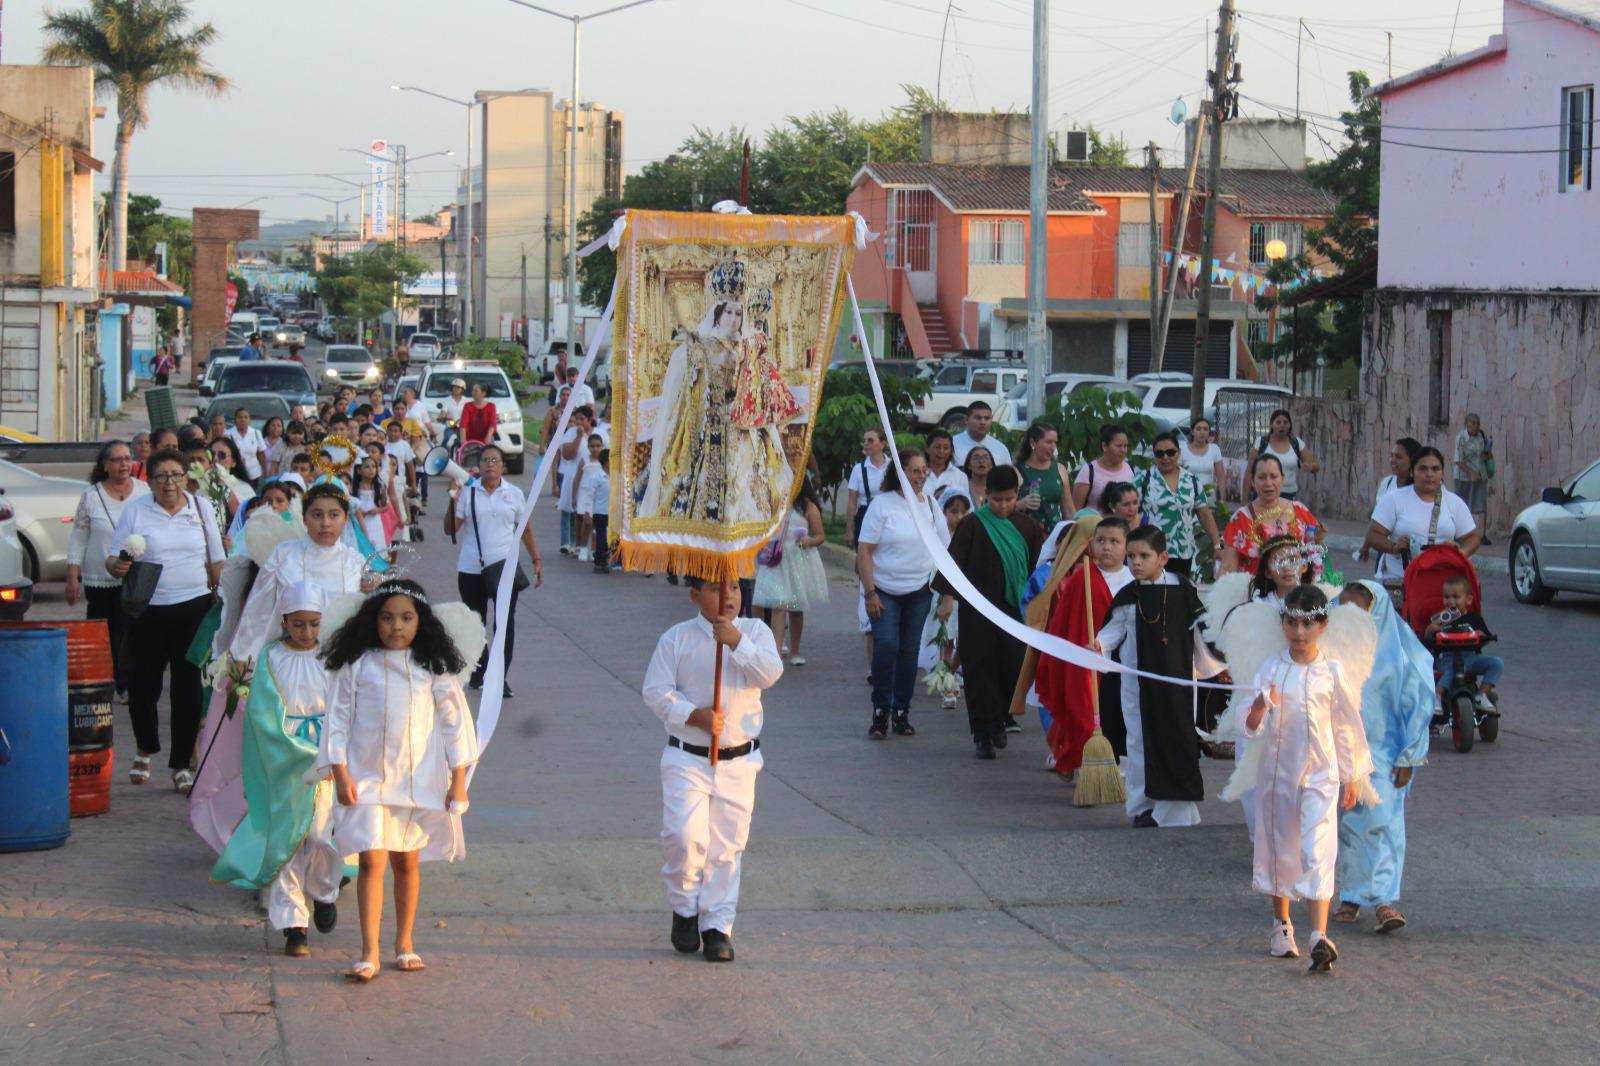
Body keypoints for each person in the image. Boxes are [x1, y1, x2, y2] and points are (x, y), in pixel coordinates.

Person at [316, 580, 479, 982]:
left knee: (406, 861)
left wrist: (458, 779)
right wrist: (340, 772)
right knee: (371, 859)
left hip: (415, 782)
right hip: (366, 779)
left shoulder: (433, 669)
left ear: (421, 622)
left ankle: (404, 941)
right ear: (373, 621)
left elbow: (456, 724)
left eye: (406, 618)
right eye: (387, 618)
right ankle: (368, 950)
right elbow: (337, 719)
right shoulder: (358, 665)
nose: (396, 626)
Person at [643, 575, 782, 963]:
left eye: (734, 588)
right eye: (717, 589)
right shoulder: (677, 638)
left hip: (739, 760)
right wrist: (694, 715)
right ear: (695, 595)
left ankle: (717, 925)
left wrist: (736, 642)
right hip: (688, 758)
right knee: (685, 835)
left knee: (727, 845)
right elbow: (655, 690)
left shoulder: (755, 632)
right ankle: (685, 907)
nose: (728, 596)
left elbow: (770, 673)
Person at [1242, 585, 1374, 973]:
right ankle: (1282, 925)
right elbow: (1249, 726)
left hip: (1321, 774)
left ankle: (1319, 934)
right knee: (1281, 846)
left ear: (1322, 625)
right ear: (1282, 623)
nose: (1299, 632)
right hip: (1278, 773)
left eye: (1307, 624)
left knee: (1319, 847)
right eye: (1292, 623)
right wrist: (1260, 706)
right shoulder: (1270, 669)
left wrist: (1352, 774)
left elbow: (1346, 724)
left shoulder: (1331, 672)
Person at [210, 581, 342, 958]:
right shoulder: (271, 657)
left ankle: (323, 890)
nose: (307, 632)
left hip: (323, 756)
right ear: (284, 621)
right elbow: (262, 713)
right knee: (287, 839)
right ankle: (294, 924)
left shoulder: (332, 657)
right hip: (283, 757)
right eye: (298, 624)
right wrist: (286, 747)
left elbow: (343, 705)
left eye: (314, 624)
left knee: (318, 833)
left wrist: (334, 748)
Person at [105, 448, 225, 793]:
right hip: (147, 610)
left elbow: (216, 560)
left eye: (175, 475)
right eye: (161, 476)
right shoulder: (136, 510)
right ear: (150, 480)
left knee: (187, 688)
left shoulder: (201, 508)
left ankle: (180, 764)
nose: (169, 483)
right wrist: (118, 566)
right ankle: (145, 747)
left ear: (186, 477)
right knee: (143, 687)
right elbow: (112, 560)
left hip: (193, 608)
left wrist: (227, 597)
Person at [1093, 525, 1225, 827]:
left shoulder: (1182, 591)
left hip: (1175, 683)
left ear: (1163, 557)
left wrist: (1217, 664)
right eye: (1131, 557)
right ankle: (1143, 806)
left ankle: (1174, 811)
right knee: (1138, 742)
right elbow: (1114, 630)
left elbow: (1199, 636)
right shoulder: (1129, 595)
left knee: (1176, 740)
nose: (1136, 563)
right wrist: (1100, 644)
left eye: (1144, 556)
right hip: (1136, 684)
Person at [1334, 580, 1434, 935]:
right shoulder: (1334, 648)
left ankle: (1384, 900)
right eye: (1343, 607)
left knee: (1385, 821)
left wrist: (1410, 756)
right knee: (1349, 824)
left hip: (1386, 754)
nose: (1349, 615)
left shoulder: (1398, 653)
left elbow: (1419, 701)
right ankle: (1351, 895)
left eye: (1357, 608)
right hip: (1343, 753)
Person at [936, 465, 1046, 758]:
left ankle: (1000, 717)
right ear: (986, 495)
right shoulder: (972, 524)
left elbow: (1037, 568)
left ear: (1017, 495)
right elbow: (953, 564)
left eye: (1009, 499)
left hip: (1015, 612)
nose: (1003, 505)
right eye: (997, 499)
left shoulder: (1028, 527)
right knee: (979, 667)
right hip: (978, 610)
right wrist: (947, 599)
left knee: (1013, 665)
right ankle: (983, 733)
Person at [444, 444, 544, 695]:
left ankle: (499, 678)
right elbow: (450, 529)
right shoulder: (468, 492)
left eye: (495, 460)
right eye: (485, 460)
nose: (490, 465)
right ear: (478, 466)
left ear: (503, 466)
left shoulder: (514, 493)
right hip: (471, 569)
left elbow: (525, 529)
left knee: (504, 625)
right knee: (475, 624)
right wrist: (452, 498)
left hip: (503, 568)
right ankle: (482, 671)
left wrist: (536, 559)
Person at [1037, 516, 1132, 776]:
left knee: (1121, 714)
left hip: (1124, 662)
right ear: (1091, 545)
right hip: (1087, 660)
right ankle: (1081, 762)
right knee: (1083, 711)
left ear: (1127, 545)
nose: (1107, 547)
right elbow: (1064, 622)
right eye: (1101, 541)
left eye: (1114, 541)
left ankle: (1115, 767)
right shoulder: (1083, 578)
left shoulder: (1133, 579)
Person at [857, 448, 941, 740]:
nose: (920, 476)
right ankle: (880, 711)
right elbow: (864, 550)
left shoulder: (930, 504)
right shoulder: (882, 505)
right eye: (915, 471)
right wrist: (870, 592)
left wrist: (947, 595)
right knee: (887, 646)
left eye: (924, 471)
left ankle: (901, 711)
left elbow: (943, 548)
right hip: (884, 591)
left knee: (909, 653)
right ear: (900, 472)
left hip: (918, 591)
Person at [65, 440, 151, 700]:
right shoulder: (91, 496)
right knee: (103, 634)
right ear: (105, 465)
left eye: (127, 458)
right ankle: (104, 681)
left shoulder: (144, 492)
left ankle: (126, 684)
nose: (124, 464)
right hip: (100, 579)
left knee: (130, 633)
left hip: (135, 578)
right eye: (116, 459)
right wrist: (72, 578)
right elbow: (78, 538)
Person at [1364, 446, 1481, 571]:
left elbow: (1472, 537)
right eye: (1423, 469)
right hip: (1399, 578)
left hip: (1443, 578)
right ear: (1411, 472)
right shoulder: (1393, 499)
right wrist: (1394, 547)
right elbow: (1373, 534)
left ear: (1442, 473)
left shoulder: (1455, 502)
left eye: (1435, 469)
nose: (1429, 474)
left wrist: (1460, 552)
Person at [753, 477, 828, 666]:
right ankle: (776, 652)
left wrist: (808, 541)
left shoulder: (808, 507)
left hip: (798, 560)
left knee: (796, 607)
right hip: (777, 558)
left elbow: (820, 535)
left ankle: (795, 650)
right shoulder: (774, 503)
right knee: (779, 604)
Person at [1220, 455, 1323, 575]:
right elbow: (1227, 569)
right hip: (1255, 586)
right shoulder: (1240, 519)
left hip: (1297, 586)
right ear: (1252, 481)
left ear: (1282, 479)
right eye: (1261, 477)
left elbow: (1316, 557)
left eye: (1274, 477)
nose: (1268, 483)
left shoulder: (1301, 511)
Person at [1138, 430, 1220, 579]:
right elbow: (1128, 514)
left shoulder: (1192, 480)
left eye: (1170, 452)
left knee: (1179, 591)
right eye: (1159, 454)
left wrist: (1216, 545)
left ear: (1179, 453)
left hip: (1184, 552)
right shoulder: (1142, 480)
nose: (1165, 457)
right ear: (1154, 456)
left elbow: (1204, 515)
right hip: (1151, 552)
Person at [1424, 575, 1503, 712]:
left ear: (1468, 600)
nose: (1451, 601)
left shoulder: (1474, 618)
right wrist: (1430, 630)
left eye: (1456, 597)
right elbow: (1427, 641)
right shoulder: (1441, 620)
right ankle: (1438, 695)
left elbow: (1486, 637)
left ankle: (1481, 695)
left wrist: (1481, 635)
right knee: (1454, 668)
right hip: (1448, 658)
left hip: (1471, 657)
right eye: (1447, 597)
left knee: (1497, 663)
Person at [924, 491, 973, 709]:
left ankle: (951, 673)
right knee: (946, 640)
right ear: (944, 512)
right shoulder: (940, 538)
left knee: (964, 641)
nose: (959, 517)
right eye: (954, 512)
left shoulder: (971, 534)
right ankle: (946, 687)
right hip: (946, 594)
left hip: (966, 595)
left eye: (964, 512)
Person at [1361, 437, 1423, 584]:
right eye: (1392, 456)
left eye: (1399, 457)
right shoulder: (1387, 483)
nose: (1393, 460)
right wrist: (1366, 546)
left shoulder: (1422, 490)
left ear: (1413, 460)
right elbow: (1376, 521)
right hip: (1386, 550)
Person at [1248, 409, 1320, 501]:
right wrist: (1245, 500)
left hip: (1288, 496)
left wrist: (1311, 466)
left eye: (1285, 422)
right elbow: (1249, 472)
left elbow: (1315, 466)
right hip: (1264, 494)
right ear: (1271, 424)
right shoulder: (1261, 443)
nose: (1282, 425)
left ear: (1290, 425)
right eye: (1278, 422)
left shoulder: (1296, 443)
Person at [1071, 423, 1136, 513]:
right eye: (1119, 446)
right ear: (1104, 446)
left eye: (1125, 446)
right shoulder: (1089, 471)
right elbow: (1075, 510)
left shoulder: (1130, 469)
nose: (1123, 450)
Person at [555, 406, 595, 553]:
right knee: (572, 512)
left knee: (585, 514)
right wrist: (578, 437)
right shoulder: (571, 433)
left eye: (582, 419)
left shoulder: (598, 434)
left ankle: (583, 545)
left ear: (590, 420)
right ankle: (569, 544)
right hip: (573, 476)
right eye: (576, 419)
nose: (578, 422)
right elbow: (567, 455)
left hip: (590, 478)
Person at [1016, 422, 1071, 528]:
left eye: (1055, 442)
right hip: (1026, 532)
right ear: (1033, 443)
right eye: (1049, 442)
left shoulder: (1060, 469)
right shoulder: (1016, 471)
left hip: (1055, 533)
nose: (1053, 447)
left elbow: (1068, 510)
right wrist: (1020, 504)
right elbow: (1002, 507)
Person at [844, 428, 890, 548]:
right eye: (864, 440)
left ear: (882, 444)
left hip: (889, 516)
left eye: (870, 440)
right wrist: (849, 530)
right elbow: (852, 502)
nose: (866, 444)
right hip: (865, 515)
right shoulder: (858, 469)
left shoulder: (892, 467)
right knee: (863, 554)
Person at [1453, 413, 1493, 545]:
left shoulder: (1481, 437)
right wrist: (1471, 473)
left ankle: (1482, 535)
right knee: (1461, 505)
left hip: (1480, 474)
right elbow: (1458, 460)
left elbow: (1485, 454)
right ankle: (1459, 533)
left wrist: (1487, 455)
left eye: (1478, 423)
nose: (1476, 426)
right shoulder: (1461, 438)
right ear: (1467, 424)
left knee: (1481, 503)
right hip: (1463, 476)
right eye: (1473, 423)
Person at [572, 433, 605, 563]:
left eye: (598, 446)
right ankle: (583, 548)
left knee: (597, 524)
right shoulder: (584, 459)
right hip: (585, 493)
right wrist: (574, 496)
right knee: (586, 523)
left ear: (602, 446)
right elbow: (577, 478)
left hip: (599, 495)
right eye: (592, 446)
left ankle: (593, 550)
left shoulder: (604, 461)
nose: (595, 449)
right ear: (588, 447)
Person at [950, 401, 1012, 467]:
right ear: (966, 419)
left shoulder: (1001, 449)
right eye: (978, 418)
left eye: (987, 418)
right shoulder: (951, 445)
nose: (983, 422)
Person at [1181, 417, 1225, 502]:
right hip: (1187, 497)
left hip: (1208, 497)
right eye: (1198, 429)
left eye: (1205, 429)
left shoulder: (1214, 449)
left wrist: (1223, 499)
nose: (1202, 432)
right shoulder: (1182, 449)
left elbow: (1221, 476)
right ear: (1192, 431)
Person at [352, 455, 390, 555]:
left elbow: (385, 506)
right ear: (359, 471)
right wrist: (358, 511)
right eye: (367, 467)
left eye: (373, 466)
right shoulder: (355, 488)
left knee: (375, 548)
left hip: (375, 521)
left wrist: (377, 510)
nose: (371, 470)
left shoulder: (379, 486)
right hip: (359, 520)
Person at [923, 428, 969, 503]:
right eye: (937, 447)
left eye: (946, 448)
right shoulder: (918, 473)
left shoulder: (960, 476)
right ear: (927, 449)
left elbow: (966, 504)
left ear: (951, 451)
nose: (941, 451)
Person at [587, 448, 614, 574]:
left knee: (610, 539)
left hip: (612, 513)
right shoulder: (597, 477)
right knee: (601, 538)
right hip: (600, 513)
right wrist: (588, 512)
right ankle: (599, 562)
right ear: (605, 463)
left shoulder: (616, 477)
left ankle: (605, 558)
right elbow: (590, 495)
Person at [227, 408, 269, 486]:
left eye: (245, 417)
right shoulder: (228, 434)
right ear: (235, 420)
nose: (243, 420)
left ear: (250, 420)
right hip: (235, 473)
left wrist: (266, 473)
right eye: (240, 417)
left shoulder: (256, 433)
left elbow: (262, 454)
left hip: (254, 474)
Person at [459, 382, 498, 447]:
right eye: (472, 390)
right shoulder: (467, 406)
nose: (472, 393)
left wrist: (488, 438)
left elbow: (492, 424)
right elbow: (463, 425)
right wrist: (463, 442)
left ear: (483, 393)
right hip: (470, 440)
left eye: (475, 391)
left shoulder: (491, 406)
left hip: (486, 439)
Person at [961, 445, 996, 509]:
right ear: (969, 465)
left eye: (986, 457)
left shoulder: (997, 487)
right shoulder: (962, 486)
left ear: (991, 465)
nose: (981, 461)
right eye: (976, 458)